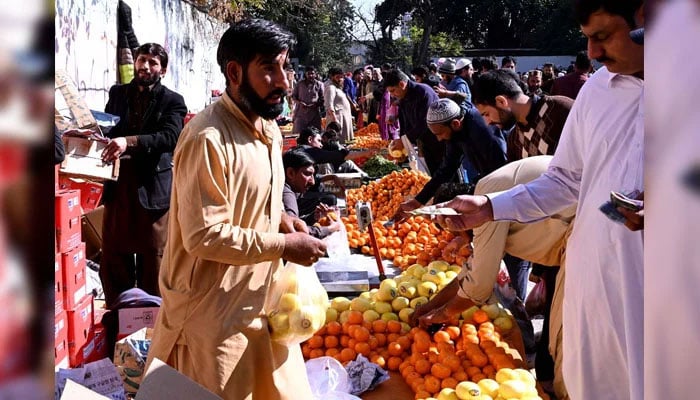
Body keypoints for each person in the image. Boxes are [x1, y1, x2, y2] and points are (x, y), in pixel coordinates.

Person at [431, 1, 644, 398]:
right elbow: (565, 180)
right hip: (592, 280)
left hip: (662, 289)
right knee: (590, 379)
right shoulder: (599, 90)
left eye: (603, 36)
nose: (593, 54)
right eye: (587, 40)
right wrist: (491, 207)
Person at [144, 19, 327, 399]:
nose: (284, 81)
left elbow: (259, 196)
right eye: (269, 68)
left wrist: (283, 218)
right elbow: (204, 235)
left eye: (286, 66)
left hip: (261, 307)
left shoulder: (268, 129)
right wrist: (283, 245)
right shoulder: (207, 138)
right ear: (234, 72)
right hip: (211, 322)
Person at [414, 156, 575, 399]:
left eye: (450, 226)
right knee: (561, 334)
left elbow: (478, 286)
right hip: (575, 236)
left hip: (586, 237)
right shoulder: (487, 191)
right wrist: (430, 305)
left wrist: (440, 315)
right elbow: (469, 273)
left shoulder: (486, 197)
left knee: (569, 338)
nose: (453, 234)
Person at [100, 42, 187, 308]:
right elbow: (108, 126)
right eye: (141, 60)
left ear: (163, 69)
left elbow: (170, 137)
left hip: (153, 191)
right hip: (119, 187)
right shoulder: (118, 93)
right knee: (115, 258)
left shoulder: (173, 100)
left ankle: (154, 328)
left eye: (152, 62)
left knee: (154, 260)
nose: (145, 66)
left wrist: (131, 141)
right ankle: (117, 321)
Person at [395, 99, 507, 218]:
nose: (439, 139)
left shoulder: (483, 132)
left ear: (455, 123)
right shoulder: (455, 131)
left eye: (440, 133)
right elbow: (447, 168)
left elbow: (500, 169)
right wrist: (417, 201)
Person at [383, 69, 445, 175]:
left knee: (445, 174)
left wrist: (404, 140)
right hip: (425, 144)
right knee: (431, 175)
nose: (392, 95)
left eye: (393, 91)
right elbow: (404, 123)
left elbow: (425, 122)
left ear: (402, 84)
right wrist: (403, 147)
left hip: (440, 141)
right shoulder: (403, 97)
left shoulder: (423, 92)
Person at [282, 149, 342, 239]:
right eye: (307, 174)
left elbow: (294, 221)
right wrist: (330, 228)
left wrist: (313, 217)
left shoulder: (289, 188)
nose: (312, 182)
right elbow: (295, 233)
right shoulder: (286, 193)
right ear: (290, 173)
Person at [323, 67, 354, 143]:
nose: (340, 79)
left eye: (341, 77)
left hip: (343, 118)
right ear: (332, 77)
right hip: (337, 119)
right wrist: (335, 119)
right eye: (337, 77)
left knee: (345, 142)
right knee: (337, 141)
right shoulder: (331, 88)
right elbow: (329, 105)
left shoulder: (338, 88)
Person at [292, 65, 324, 134]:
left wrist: (315, 105)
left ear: (315, 74)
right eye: (308, 74)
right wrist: (300, 103)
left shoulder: (319, 84)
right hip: (301, 114)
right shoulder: (299, 84)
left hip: (314, 115)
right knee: (298, 134)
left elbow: (323, 99)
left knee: (315, 135)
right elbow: (294, 96)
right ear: (305, 74)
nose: (310, 75)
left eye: (312, 73)